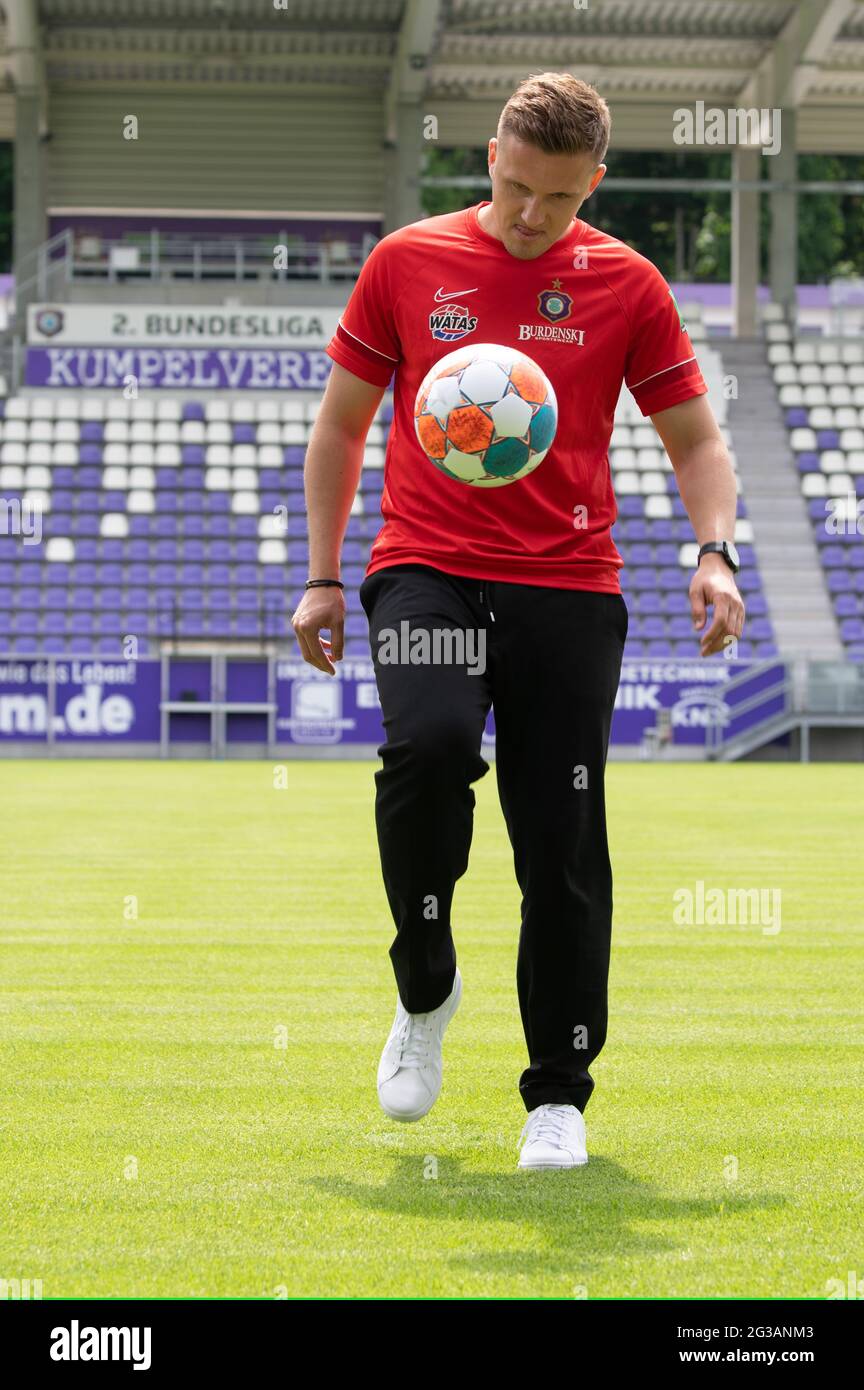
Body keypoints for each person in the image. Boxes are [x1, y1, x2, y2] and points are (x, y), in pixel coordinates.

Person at [292, 72, 744, 1170]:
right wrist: (320, 577)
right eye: (516, 185)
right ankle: (427, 988)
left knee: (561, 842)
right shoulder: (406, 263)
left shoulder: (626, 284)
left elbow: (693, 440)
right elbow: (345, 429)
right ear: (492, 150)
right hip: (427, 568)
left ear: (595, 181)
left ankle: (558, 1096)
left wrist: (715, 549)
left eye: (560, 197)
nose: (533, 215)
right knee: (429, 747)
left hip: (568, 585)